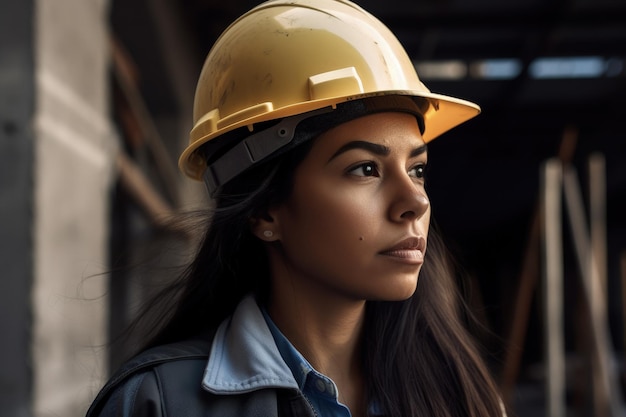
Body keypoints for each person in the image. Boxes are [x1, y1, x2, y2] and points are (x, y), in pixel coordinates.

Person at [87, 0, 506, 416]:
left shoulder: (461, 398)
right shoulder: (157, 403)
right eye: (365, 169)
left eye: (416, 169)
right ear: (265, 211)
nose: (414, 202)